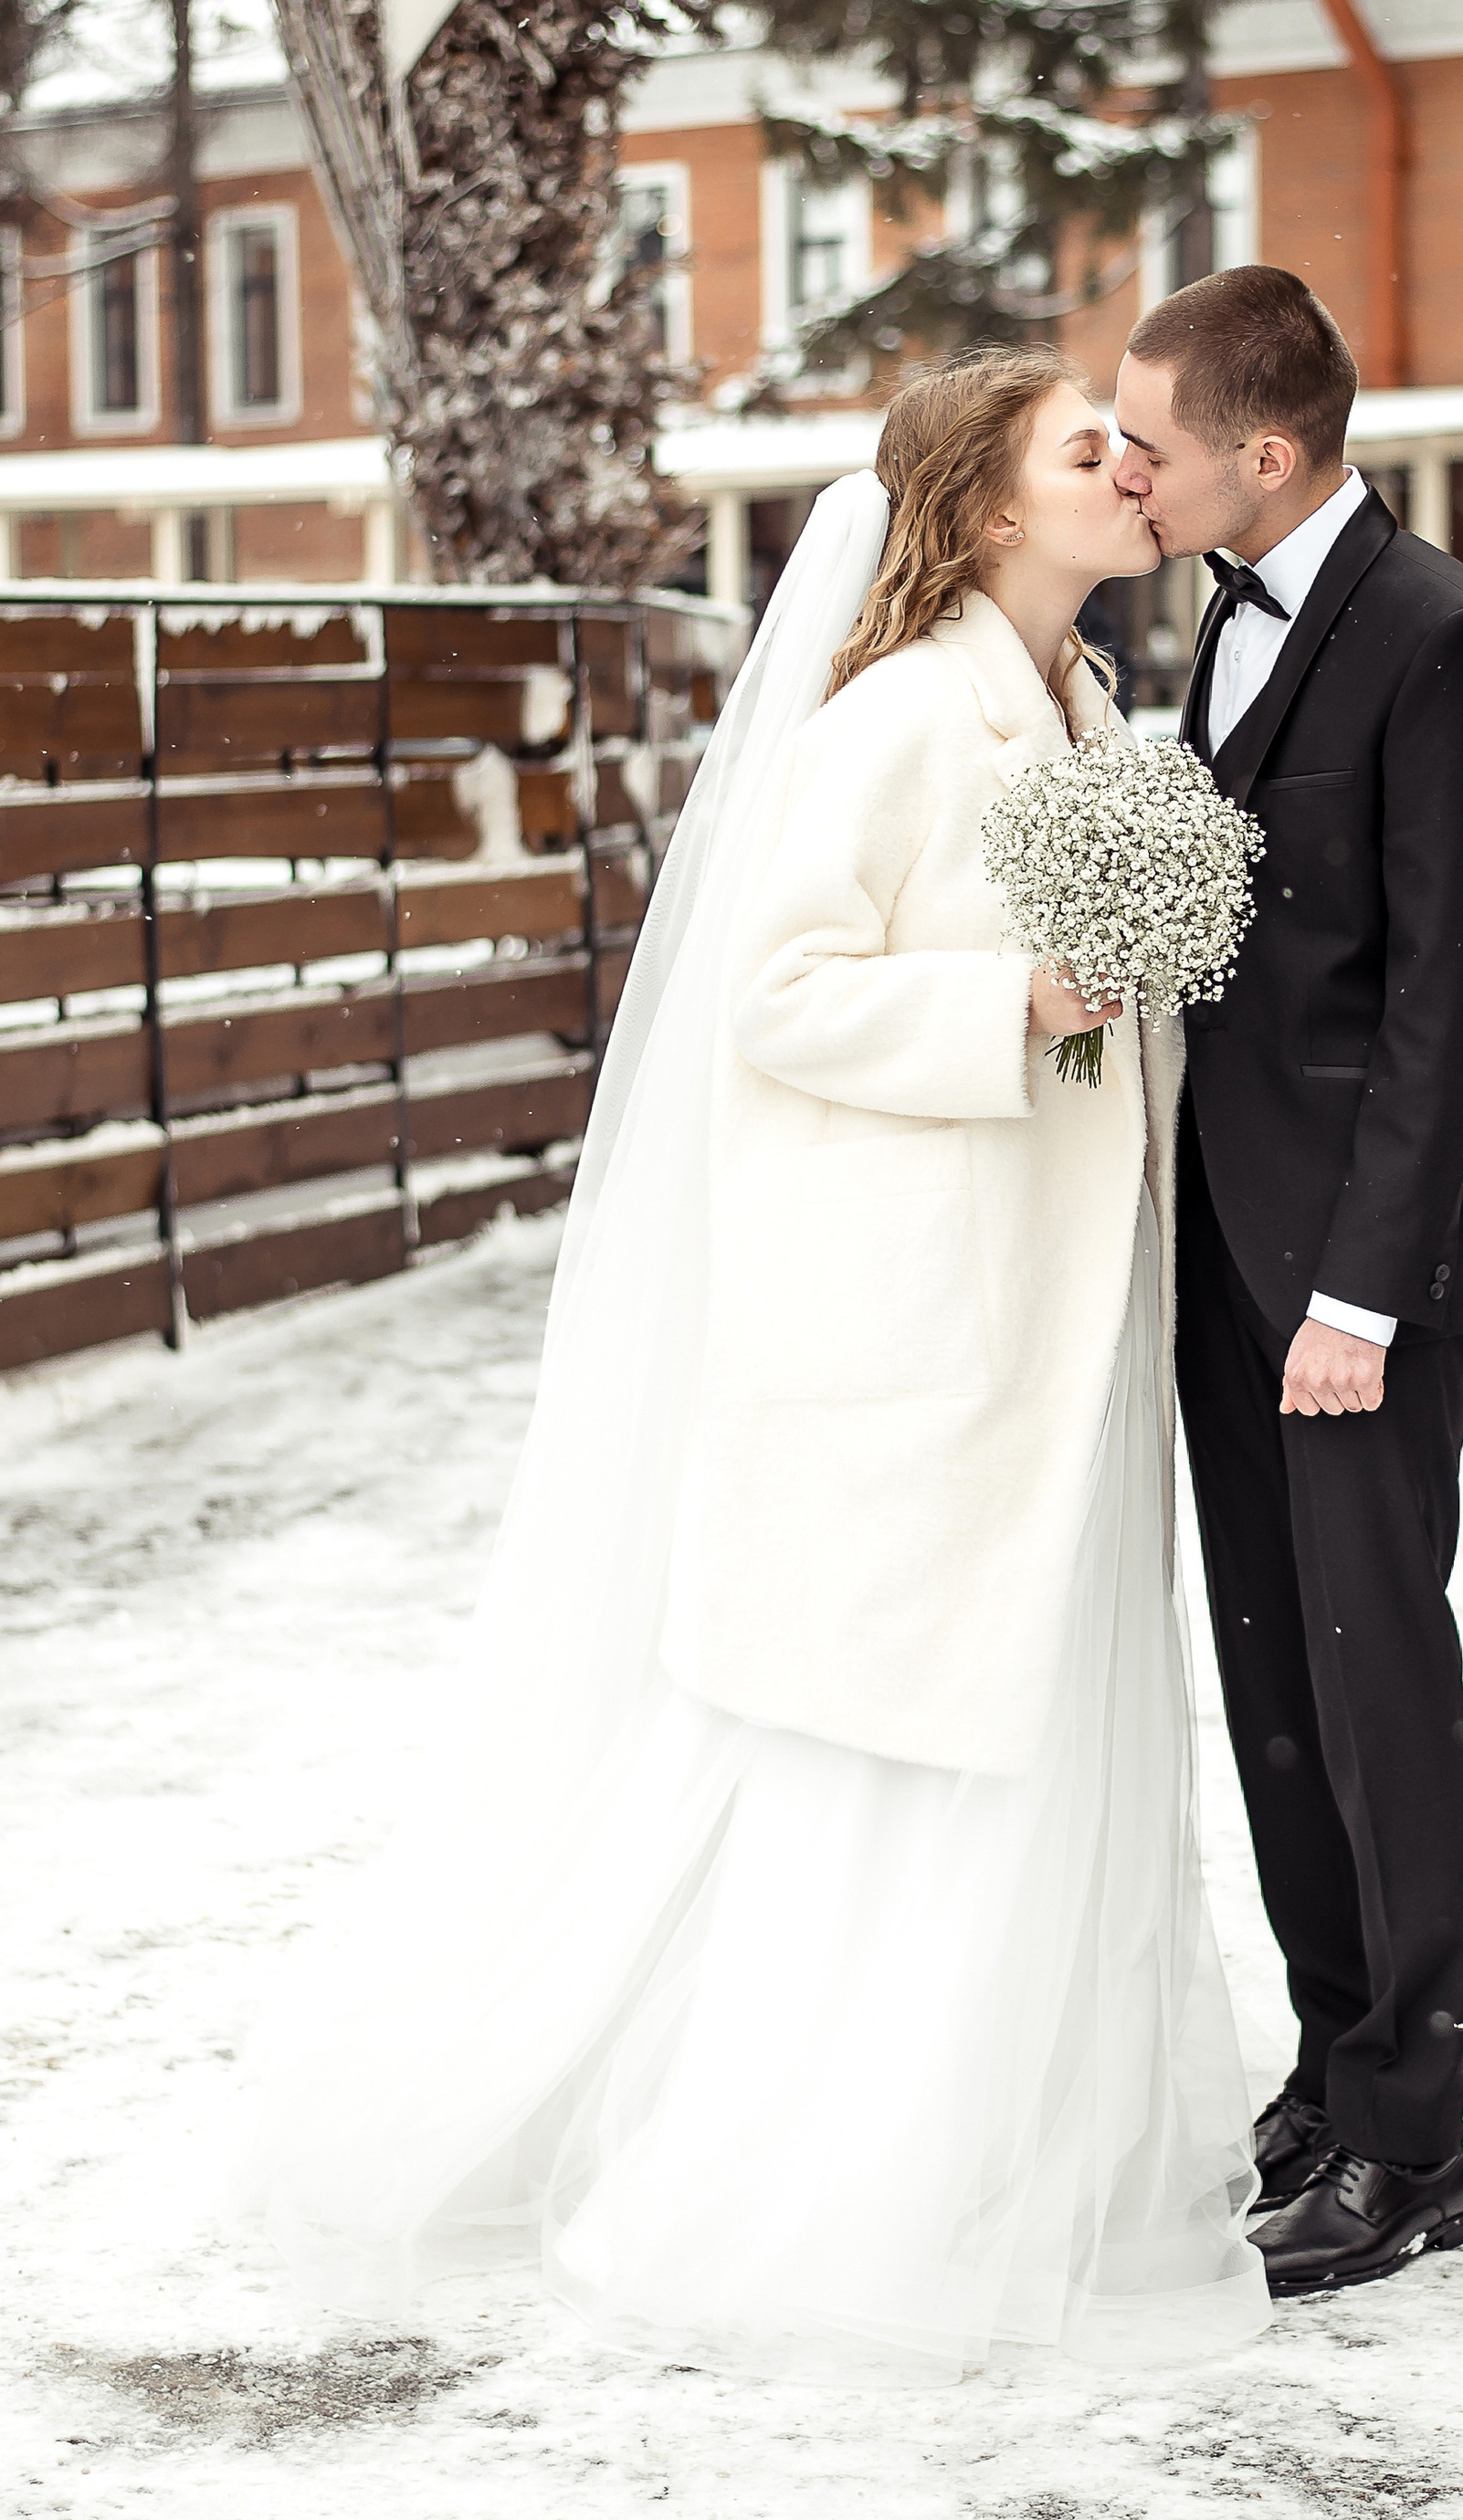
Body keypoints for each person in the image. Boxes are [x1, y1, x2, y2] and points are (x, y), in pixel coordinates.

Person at [246, 350, 1271, 2385]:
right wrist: (1030, 994)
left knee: (1029, 1714)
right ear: (983, 512)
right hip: (921, 1311)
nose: (1128, 465)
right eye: (1086, 450)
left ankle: (1005, 2148)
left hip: (1060, 1311)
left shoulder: (1077, 707)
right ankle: (817, 2175)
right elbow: (776, 995)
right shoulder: (893, 719)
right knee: (891, 1734)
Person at [1112, 266, 1463, 2298]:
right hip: (1223, 1244)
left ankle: (1414, 2140)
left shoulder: (1446, 642)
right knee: (1277, 1680)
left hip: (1362, 1273)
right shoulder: (1215, 609)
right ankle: (1331, 2059)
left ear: (1260, 454)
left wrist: (1358, 1301)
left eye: (1153, 440)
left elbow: (1451, 1002)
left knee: (1377, 1678)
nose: (1125, 468)